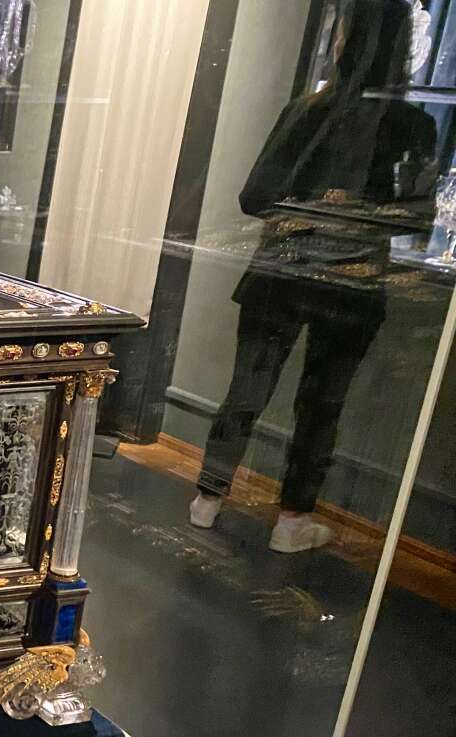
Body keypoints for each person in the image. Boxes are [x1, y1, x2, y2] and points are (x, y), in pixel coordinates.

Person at [189, 0, 434, 552]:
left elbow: (256, 197)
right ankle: (293, 518)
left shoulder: (307, 110)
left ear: (346, 40)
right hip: (350, 285)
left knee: (248, 389)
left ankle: (208, 497)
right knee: (322, 403)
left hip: (283, 272)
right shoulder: (411, 123)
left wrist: (310, 211)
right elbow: (417, 217)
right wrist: (352, 213)